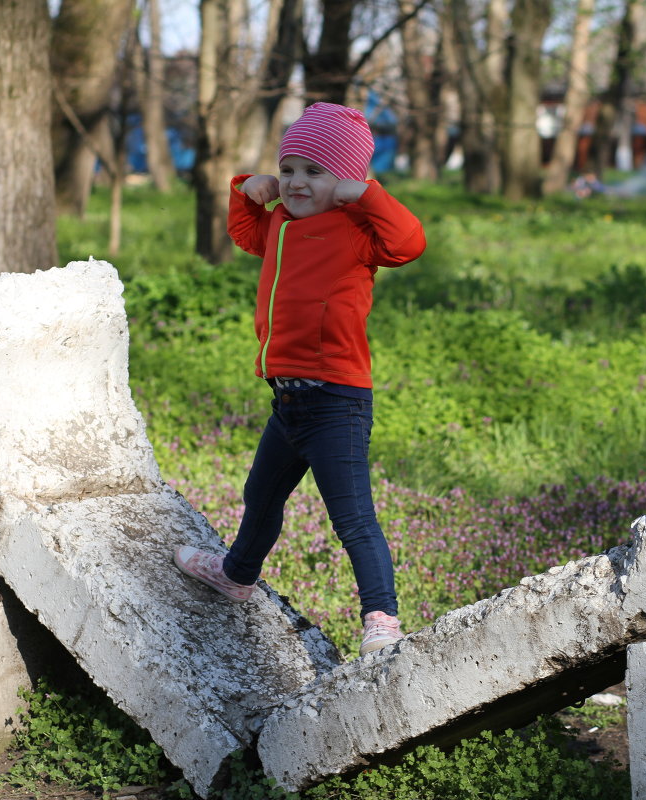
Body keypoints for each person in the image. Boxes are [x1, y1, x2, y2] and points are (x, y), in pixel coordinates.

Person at [174, 102, 427, 657]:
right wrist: (248, 189)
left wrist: (368, 195)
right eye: (288, 169)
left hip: (337, 400)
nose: (296, 183)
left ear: (347, 181)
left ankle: (382, 620)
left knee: (353, 517)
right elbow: (243, 233)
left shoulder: (359, 230)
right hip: (287, 402)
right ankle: (237, 574)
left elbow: (409, 242)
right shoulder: (279, 226)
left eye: (315, 172)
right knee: (260, 495)